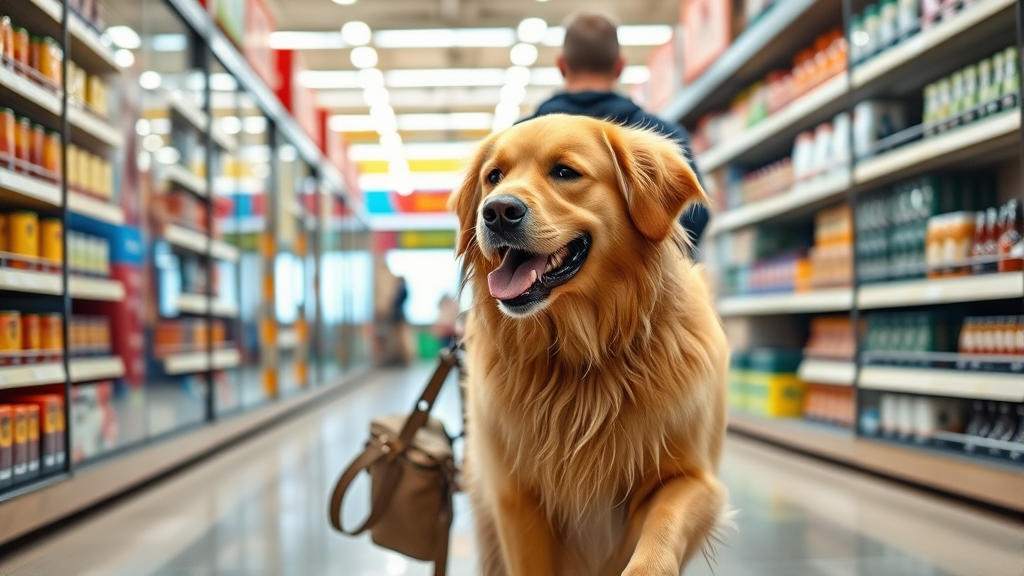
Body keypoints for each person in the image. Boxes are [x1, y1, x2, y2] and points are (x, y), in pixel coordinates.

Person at [524, 11, 710, 251]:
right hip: (646, 288)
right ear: (620, 66)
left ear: (561, 65)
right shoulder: (661, 135)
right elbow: (694, 218)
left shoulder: (518, 138)